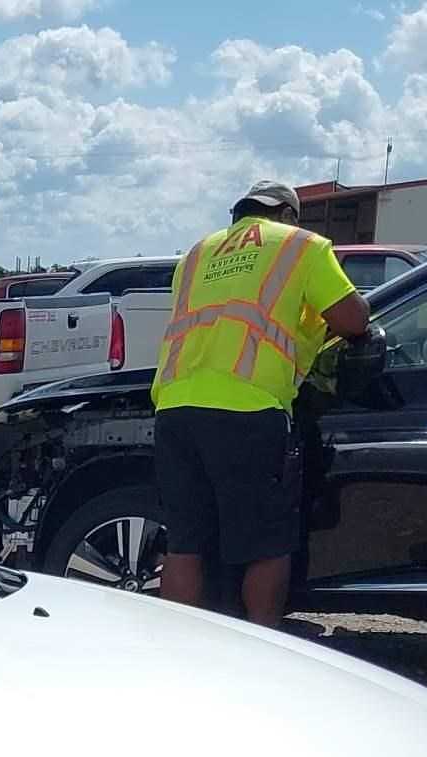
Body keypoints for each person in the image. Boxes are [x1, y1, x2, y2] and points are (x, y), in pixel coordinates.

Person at [150, 181, 371, 623]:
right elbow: (354, 319)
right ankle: (264, 646)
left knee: (185, 542)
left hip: (174, 407)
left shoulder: (197, 254)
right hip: (248, 409)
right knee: (267, 544)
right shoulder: (300, 246)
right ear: (287, 214)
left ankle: (174, 647)